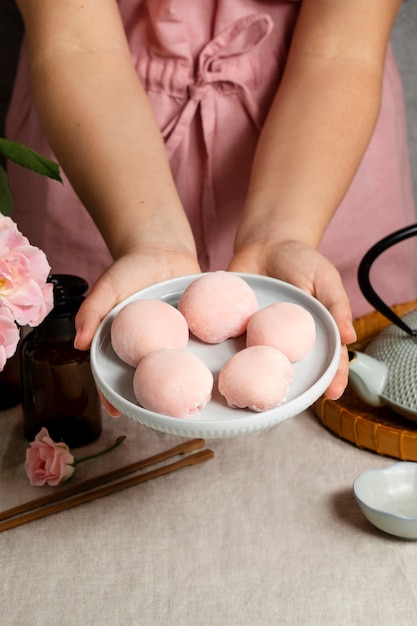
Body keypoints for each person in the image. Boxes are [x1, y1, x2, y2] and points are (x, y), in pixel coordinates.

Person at [5, 0, 416, 402]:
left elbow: (342, 48)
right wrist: (148, 238)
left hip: (316, 156)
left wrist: (281, 234)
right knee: (70, 383)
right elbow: (76, 43)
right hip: (101, 152)